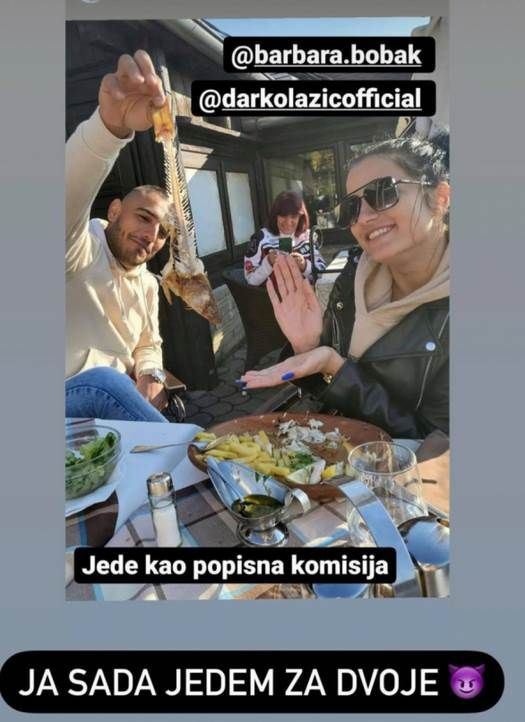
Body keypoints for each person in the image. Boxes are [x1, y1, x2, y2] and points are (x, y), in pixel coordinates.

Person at [240, 132, 450, 439]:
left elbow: (437, 445)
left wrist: (334, 367)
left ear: (441, 198)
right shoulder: (355, 275)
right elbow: (326, 389)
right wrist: (308, 347)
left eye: (383, 192)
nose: (362, 217)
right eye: (351, 208)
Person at [65, 49, 171, 422]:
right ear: (113, 211)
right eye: (143, 217)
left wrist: (151, 375)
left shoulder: (148, 284)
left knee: (116, 385)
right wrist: (108, 130)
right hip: (67, 401)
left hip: (118, 406)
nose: (151, 235)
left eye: (163, 232)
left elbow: (149, 344)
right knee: (104, 383)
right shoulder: (78, 250)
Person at [243, 191, 326, 286]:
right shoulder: (260, 238)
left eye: (293, 216)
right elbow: (251, 280)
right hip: (269, 295)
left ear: (300, 217)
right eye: (283, 216)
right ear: (275, 216)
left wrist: (304, 266)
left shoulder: (308, 236)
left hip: (304, 294)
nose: (288, 222)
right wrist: (268, 262)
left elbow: (322, 274)